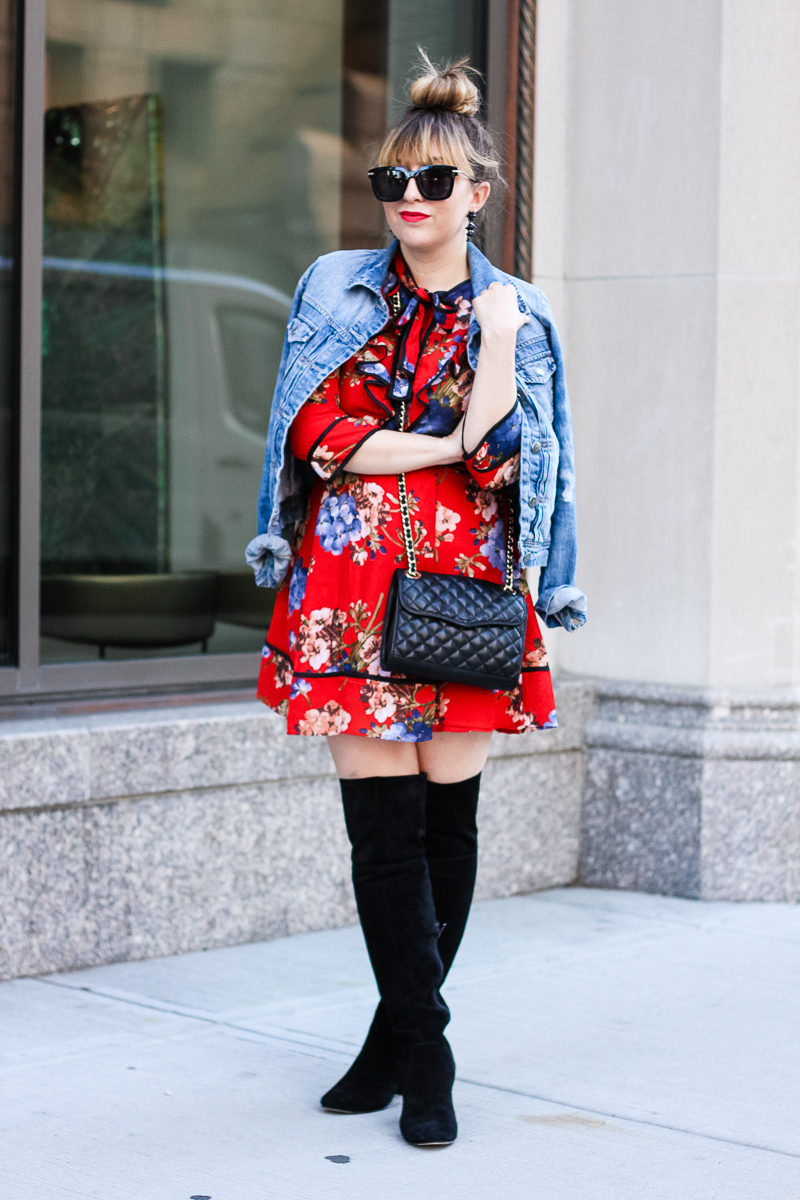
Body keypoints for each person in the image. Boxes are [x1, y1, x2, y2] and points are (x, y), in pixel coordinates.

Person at [246, 52, 586, 1147]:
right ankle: (427, 1051)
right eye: (392, 181)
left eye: (432, 184)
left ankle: (393, 1038)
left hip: (465, 594)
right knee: (379, 836)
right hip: (346, 588)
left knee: (447, 823)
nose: (406, 201)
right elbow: (320, 439)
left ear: (476, 196)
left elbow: (501, 462)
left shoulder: (514, 313)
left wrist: (483, 361)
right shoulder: (332, 286)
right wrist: (435, 441)